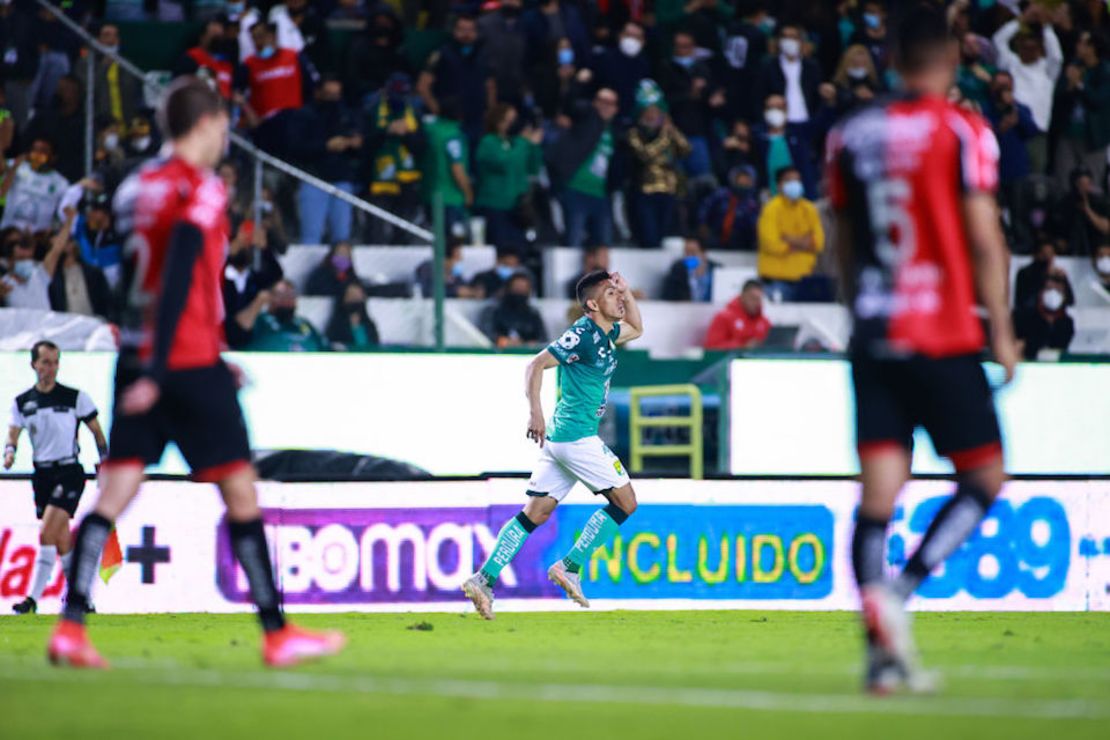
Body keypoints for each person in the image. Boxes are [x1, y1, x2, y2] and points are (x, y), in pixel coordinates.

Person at [47, 77, 345, 669]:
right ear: (205, 124)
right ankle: (276, 634)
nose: (226, 138)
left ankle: (70, 628)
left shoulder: (134, 189)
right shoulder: (201, 189)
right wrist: (182, 361)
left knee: (114, 493)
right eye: (223, 126)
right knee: (240, 492)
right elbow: (182, 267)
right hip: (181, 362)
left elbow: (132, 280)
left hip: (138, 355)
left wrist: (147, 362)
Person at [826, 6, 1019, 694]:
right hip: (940, 330)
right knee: (983, 478)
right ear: (951, 61)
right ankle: (899, 594)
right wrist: (1000, 327)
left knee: (878, 496)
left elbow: (843, 241)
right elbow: (984, 237)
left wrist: (859, 313)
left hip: (875, 333)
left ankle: (881, 656)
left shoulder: (851, 132)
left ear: (890, 61)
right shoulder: (963, 130)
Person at [462, 270, 643, 619]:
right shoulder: (583, 335)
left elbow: (637, 328)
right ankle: (570, 566)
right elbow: (535, 365)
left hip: (562, 441)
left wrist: (625, 290)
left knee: (536, 513)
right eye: (610, 294)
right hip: (576, 438)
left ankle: (483, 579)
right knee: (626, 502)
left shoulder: (606, 335)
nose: (619, 299)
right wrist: (535, 413)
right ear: (592, 304)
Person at [5, 341, 108, 615]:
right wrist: (9, 452)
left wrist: (105, 462)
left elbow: (97, 432)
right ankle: (80, 598)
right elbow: (14, 432)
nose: (50, 368)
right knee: (61, 537)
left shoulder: (75, 397)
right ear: (33, 365)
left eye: (54, 362)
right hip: (42, 475)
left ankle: (32, 598)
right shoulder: (23, 402)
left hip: (69, 471)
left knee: (47, 530)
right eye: (45, 362)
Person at [288, 77, 362, 244]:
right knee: (311, 236)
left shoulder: (346, 114)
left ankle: (341, 270)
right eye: (328, 95)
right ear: (318, 93)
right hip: (313, 179)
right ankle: (307, 270)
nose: (333, 99)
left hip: (342, 179)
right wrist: (326, 146)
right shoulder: (304, 115)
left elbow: (359, 140)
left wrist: (353, 143)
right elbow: (296, 148)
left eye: (336, 95)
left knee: (342, 239)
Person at [992, 5, 1063, 173]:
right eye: (1024, 47)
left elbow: (1057, 56)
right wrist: (1021, 20)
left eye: (1033, 48)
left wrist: (1046, 27)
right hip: (1012, 131)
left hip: (1037, 134)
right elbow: (998, 41)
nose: (1028, 51)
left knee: (1037, 183)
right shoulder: (1011, 64)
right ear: (1018, 47)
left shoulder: (1047, 70)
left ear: (1040, 49)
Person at [548, 87, 619, 248]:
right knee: (573, 240)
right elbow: (571, 104)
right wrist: (578, 82)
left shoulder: (617, 131)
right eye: (602, 101)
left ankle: (600, 274)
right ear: (594, 103)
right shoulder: (586, 119)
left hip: (601, 194)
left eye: (611, 103)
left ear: (616, 109)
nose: (606, 106)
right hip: (576, 189)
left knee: (603, 244)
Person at [416, 14, 496, 145]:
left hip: (477, 120)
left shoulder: (483, 56)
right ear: (454, 31)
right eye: (462, 30)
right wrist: (436, 109)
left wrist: (491, 113)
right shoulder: (442, 54)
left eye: (470, 30)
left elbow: (490, 85)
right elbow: (423, 86)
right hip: (451, 122)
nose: (466, 34)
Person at [364, 72, 424, 244]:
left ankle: (402, 249)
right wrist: (386, 132)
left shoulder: (414, 110)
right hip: (377, 176)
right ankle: (375, 254)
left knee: (405, 222)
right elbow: (364, 143)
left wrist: (407, 134)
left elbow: (421, 146)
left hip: (408, 176)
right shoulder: (371, 108)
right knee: (377, 222)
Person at [474, 103, 543, 249]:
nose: (511, 124)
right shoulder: (488, 142)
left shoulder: (516, 144)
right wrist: (524, 142)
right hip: (495, 205)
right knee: (501, 248)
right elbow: (504, 163)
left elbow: (533, 167)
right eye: (507, 120)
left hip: (517, 207)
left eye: (514, 120)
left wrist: (534, 146)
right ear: (497, 121)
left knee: (518, 249)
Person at [627, 101, 690, 249]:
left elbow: (686, 149)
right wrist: (664, 136)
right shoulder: (635, 133)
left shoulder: (669, 132)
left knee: (666, 234)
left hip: (669, 188)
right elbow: (645, 154)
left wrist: (673, 130)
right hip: (646, 189)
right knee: (649, 235)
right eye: (648, 112)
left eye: (656, 112)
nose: (652, 116)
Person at [757, 166, 824, 302]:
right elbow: (772, 244)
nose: (795, 184)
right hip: (776, 280)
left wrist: (788, 238)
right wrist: (804, 243)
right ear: (779, 185)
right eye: (789, 180)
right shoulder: (771, 209)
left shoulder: (809, 209)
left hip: (805, 279)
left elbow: (819, 243)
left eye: (797, 180)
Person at [1053, 30, 1110, 187]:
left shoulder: (1105, 72)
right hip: (1068, 134)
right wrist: (1069, 87)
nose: (1078, 46)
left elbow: (1098, 101)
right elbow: (1059, 98)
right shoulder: (1072, 67)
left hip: (1094, 137)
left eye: (1083, 43)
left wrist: (1079, 85)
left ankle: (1093, 211)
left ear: (1093, 48)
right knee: (1064, 181)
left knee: (1092, 184)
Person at [223, 218, 283, 350]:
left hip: (247, 340)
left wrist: (264, 248)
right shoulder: (220, 276)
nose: (244, 246)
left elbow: (276, 275)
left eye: (248, 245)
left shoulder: (252, 278)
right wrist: (229, 251)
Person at [421, 96, 472, 239]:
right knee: (452, 242)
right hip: (450, 197)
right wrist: (468, 193)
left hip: (428, 193)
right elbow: (457, 168)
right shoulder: (452, 135)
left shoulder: (429, 130)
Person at [1, 211, 72, 310]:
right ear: (10, 261)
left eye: (28, 258)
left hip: (45, 324)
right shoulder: (4, 283)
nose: (25, 263)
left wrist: (69, 220)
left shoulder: (40, 275)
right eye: (21, 259)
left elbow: (57, 250)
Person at [0, 139, 70, 233]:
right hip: (7, 233)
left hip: (37, 237)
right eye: (35, 150)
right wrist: (14, 168)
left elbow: (63, 214)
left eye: (43, 151)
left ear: (53, 157)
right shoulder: (16, 166)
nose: (37, 154)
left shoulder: (61, 183)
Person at [247, 279, 328, 352]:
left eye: (291, 295)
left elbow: (326, 348)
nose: (287, 300)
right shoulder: (259, 321)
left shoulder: (304, 324)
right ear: (270, 298)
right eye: (282, 295)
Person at [697, 165, 761, 251]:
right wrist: (702, 223)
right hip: (714, 236)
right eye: (742, 178)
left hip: (738, 244)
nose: (744, 181)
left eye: (748, 179)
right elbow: (705, 207)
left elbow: (754, 226)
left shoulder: (752, 205)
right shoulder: (720, 194)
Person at [49, 233, 113, 319]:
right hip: (67, 328)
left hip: (94, 326)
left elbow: (107, 303)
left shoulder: (94, 273)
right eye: (54, 246)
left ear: (72, 245)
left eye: (61, 244)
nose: (59, 249)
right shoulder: (52, 280)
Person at [1013, 273, 1074, 359]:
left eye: (1058, 291)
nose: (1053, 294)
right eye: (1049, 289)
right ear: (1040, 292)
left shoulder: (1066, 323)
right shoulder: (1022, 318)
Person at [173, 18, 235, 99]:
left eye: (220, 36)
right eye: (214, 35)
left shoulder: (227, 62)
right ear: (202, 37)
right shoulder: (190, 58)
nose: (218, 38)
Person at [704, 279, 772, 350]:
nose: (756, 303)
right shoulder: (723, 318)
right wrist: (742, 346)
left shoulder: (764, 321)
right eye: (752, 298)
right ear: (743, 296)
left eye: (759, 299)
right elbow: (711, 347)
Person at [486, 272, 547, 348]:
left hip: (528, 354)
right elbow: (485, 334)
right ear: (508, 288)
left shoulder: (533, 313)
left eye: (523, 288)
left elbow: (543, 339)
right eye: (517, 288)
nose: (520, 291)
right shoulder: (493, 311)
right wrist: (502, 340)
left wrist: (531, 344)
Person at [1014, 240, 1073, 311]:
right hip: (1032, 315)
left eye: (1051, 254)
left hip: (1054, 315)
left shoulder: (1058, 274)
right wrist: (1044, 283)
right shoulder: (1025, 273)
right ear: (1036, 255)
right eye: (1044, 254)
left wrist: (1063, 288)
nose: (1048, 258)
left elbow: (1070, 301)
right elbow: (1023, 301)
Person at [325, 282, 380, 351]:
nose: (354, 299)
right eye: (351, 296)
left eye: (357, 296)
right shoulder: (336, 327)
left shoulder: (369, 326)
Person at [662, 236, 717, 302]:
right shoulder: (678, 270)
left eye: (693, 253)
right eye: (687, 253)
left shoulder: (716, 269)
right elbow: (668, 296)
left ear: (703, 253)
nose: (689, 256)